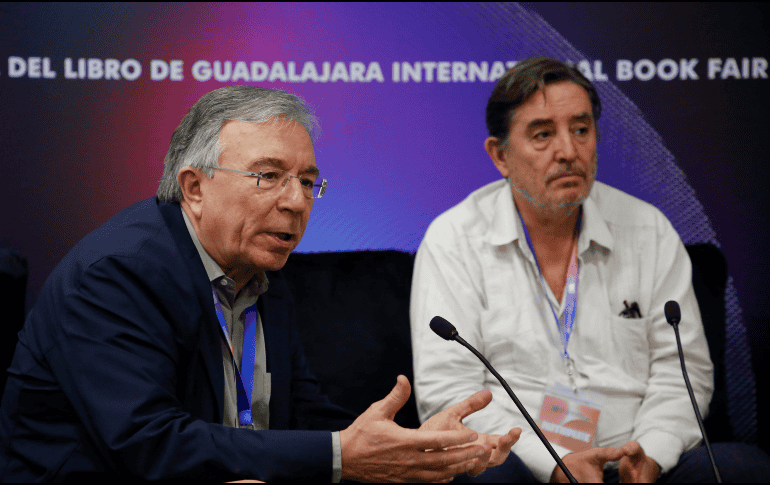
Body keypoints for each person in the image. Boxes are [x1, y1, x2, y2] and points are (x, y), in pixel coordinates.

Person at [0, 86, 520, 482]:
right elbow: (147, 442)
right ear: (195, 187)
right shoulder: (118, 274)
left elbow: (301, 412)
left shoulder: (262, 267)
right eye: (268, 176)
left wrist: (407, 450)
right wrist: (343, 456)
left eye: (307, 181)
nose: (296, 202)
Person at [410, 57, 770, 482]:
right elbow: (450, 394)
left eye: (581, 130)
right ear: (500, 155)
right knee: (489, 475)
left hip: (639, 462)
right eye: (543, 135)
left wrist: (651, 454)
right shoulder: (454, 239)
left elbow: (682, 370)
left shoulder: (647, 230)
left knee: (741, 468)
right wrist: (556, 464)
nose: (568, 150)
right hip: (526, 467)